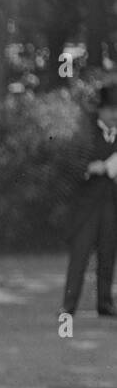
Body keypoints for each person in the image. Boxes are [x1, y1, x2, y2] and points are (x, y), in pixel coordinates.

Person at [60, 82, 117, 318]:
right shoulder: (87, 133)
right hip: (87, 207)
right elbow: (70, 164)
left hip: (111, 206)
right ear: (100, 110)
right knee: (80, 256)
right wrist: (88, 168)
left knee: (108, 255)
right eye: (111, 109)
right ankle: (68, 305)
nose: (115, 114)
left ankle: (104, 303)